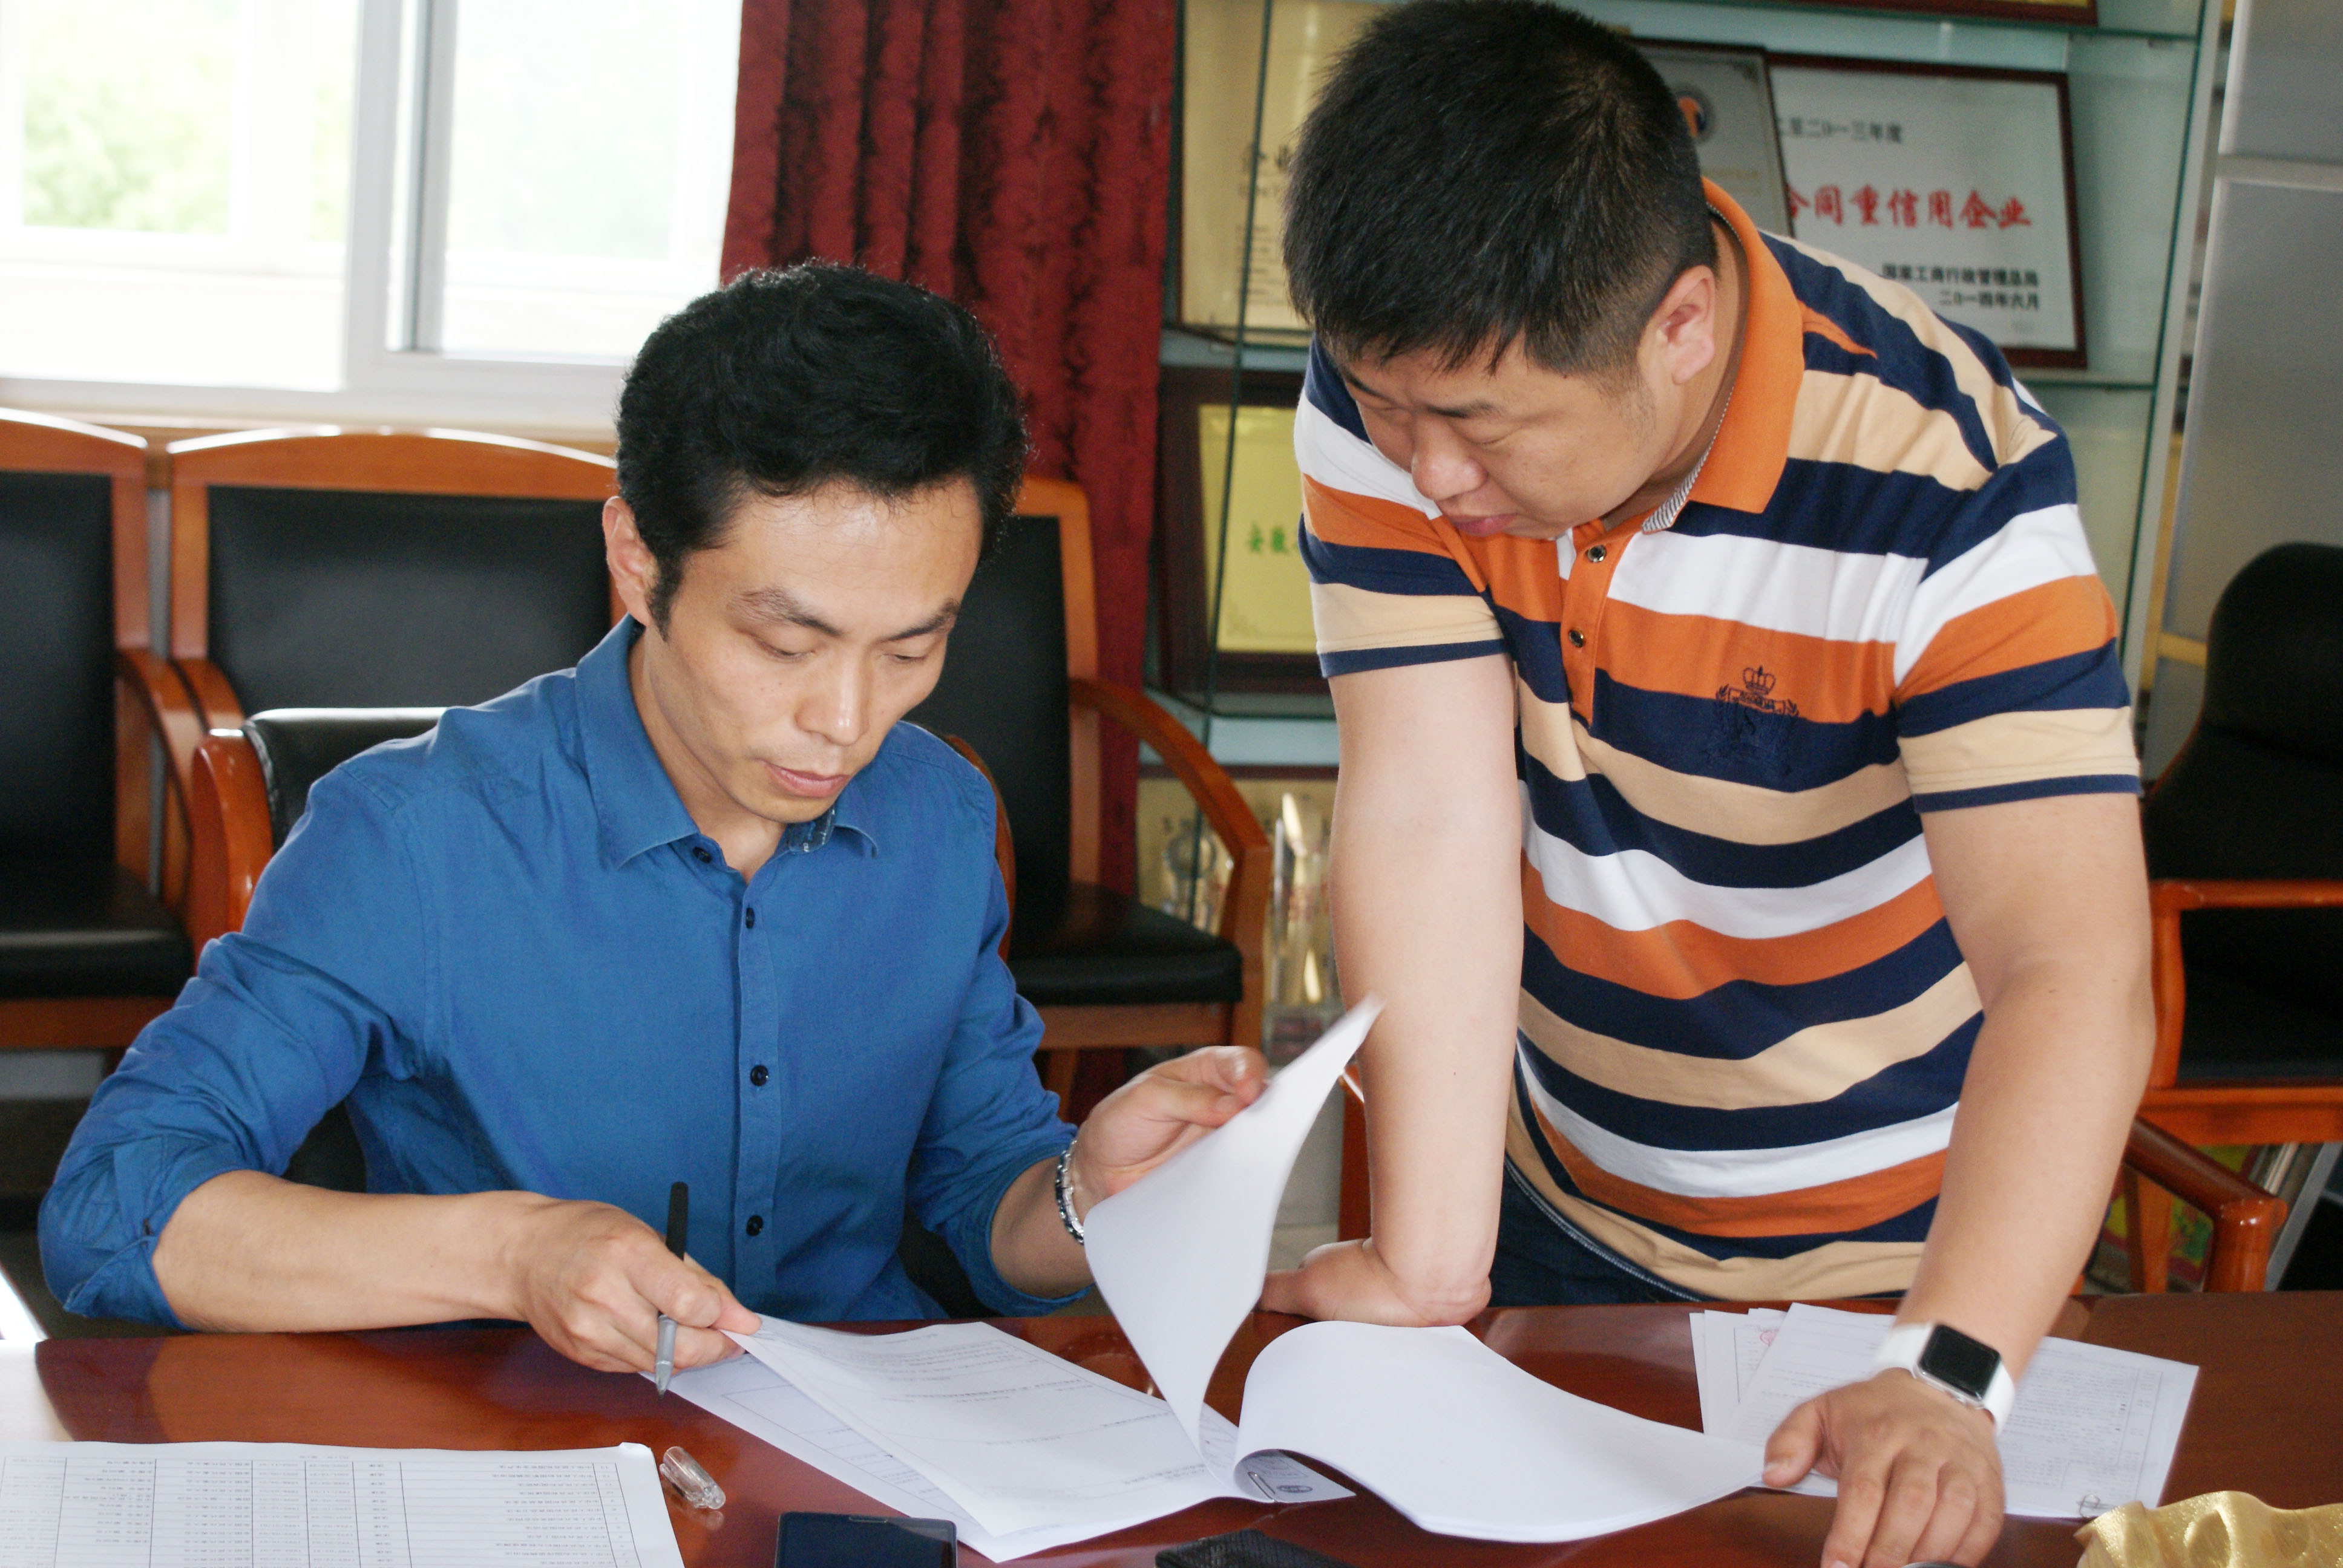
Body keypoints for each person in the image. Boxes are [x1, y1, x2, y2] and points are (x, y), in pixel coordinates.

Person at [1256, 6, 2151, 1567]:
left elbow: (2070, 967)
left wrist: (1948, 1370)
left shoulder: (1948, 480)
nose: (1429, 476)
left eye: (1475, 427)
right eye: (1387, 409)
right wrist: (1431, 1262)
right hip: (1564, 1194)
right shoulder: (1396, 396)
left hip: (1895, 1266)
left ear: (1676, 327)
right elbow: (1429, 809)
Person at [42, 263, 1263, 1376]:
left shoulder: (940, 814)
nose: (846, 722)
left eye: (910, 650)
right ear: (637, 560)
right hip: (523, 1450)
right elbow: (112, 1208)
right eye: (784, 644)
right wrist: (515, 1256)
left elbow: (985, 1199)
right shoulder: (415, 834)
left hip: (868, 1453)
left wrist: (1090, 1193)